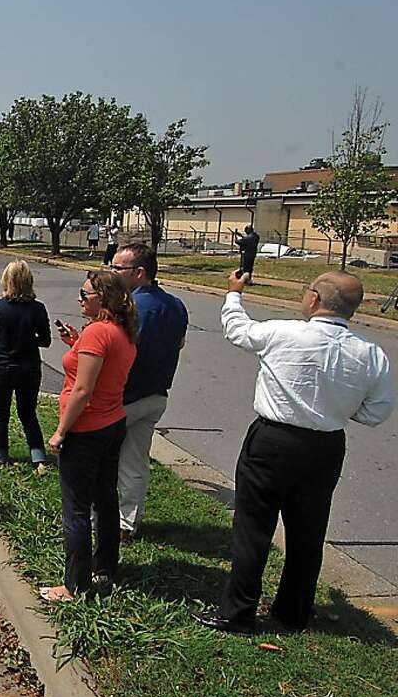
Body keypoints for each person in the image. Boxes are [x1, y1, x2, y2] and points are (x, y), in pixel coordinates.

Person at [192, 271, 393, 635]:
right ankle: (293, 611)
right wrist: (337, 408)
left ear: (314, 299)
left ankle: (238, 614)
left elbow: (238, 330)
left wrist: (234, 294)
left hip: (272, 440)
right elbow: (377, 411)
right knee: (308, 531)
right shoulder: (370, 354)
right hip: (326, 446)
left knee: (253, 527)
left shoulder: (284, 332)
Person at [41, 271, 138, 602]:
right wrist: (75, 343)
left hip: (86, 430)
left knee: (76, 509)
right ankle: (105, 566)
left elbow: (83, 390)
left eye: (85, 295)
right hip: (112, 424)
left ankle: (75, 585)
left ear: (104, 299)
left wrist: (60, 431)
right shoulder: (120, 331)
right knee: (106, 498)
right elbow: (102, 365)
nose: (79, 300)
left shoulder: (97, 332)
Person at [109, 244, 189, 541]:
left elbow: (113, 354)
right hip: (156, 396)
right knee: (135, 461)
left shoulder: (129, 308)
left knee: (99, 463)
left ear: (139, 273)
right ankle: (126, 525)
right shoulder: (176, 305)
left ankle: (98, 521)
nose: (112, 273)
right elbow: (179, 344)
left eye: (117, 269)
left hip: (122, 399)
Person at [0, 260, 51, 465]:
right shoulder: (38, 309)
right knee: (28, 413)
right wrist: (28, 339)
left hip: (1, 366)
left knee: (0, 415)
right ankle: (38, 456)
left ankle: (0, 458)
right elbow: (45, 341)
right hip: (29, 367)